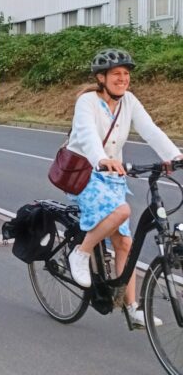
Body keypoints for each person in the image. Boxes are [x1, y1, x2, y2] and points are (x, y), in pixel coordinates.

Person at [65, 48, 182, 327]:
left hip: (112, 175)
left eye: (126, 74)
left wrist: (174, 155)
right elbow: (86, 134)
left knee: (125, 243)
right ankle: (80, 253)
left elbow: (149, 129)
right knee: (122, 212)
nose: (123, 79)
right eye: (116, 74)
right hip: (87, 172)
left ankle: (131, 307)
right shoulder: (87, 102)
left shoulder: (129, 101)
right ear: (101, 78)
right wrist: (101, 159)